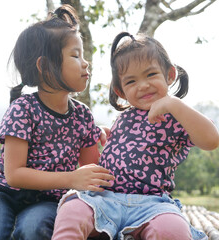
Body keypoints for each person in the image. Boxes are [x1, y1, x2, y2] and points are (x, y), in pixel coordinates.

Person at [0, 5, 114, 240]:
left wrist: (107, 140)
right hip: (4, 192)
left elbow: (91, 174)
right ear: (44, 66)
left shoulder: (83, 117)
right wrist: (71, 178)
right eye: (75, 56)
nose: (86, 64)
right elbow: (14, 174)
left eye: (83, 56)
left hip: (48, 199)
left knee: (33, 229)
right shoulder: (22, 109)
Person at [52, 32, 219, 240]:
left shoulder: (177, 115)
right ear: (120, 91)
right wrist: (106, 134)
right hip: (105, 199)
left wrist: (174, 104)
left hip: (152, 204)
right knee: (72, 210)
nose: (142, 85)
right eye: (131, 82)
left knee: (172, 229)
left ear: (169, 75)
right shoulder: (124, 118)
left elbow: (211, 139)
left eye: (151, 75)